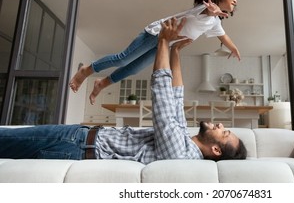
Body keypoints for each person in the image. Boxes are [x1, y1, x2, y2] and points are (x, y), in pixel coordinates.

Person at [0, 18, 247, 163]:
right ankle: (99, 79)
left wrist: (162, 40)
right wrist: (175, 51)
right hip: (80, 135)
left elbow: (162, 100)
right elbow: (175, 95)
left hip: (74, 148)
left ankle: (92, 72)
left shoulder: (181, 155)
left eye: (223, 133)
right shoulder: (187, 141)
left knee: (5, 141)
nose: (218, 125)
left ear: (215, 150)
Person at [69, 0, 241, 105]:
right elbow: (206, 10)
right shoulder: (201, 9)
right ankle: (87, 70)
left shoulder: (215, 22)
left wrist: (233, 48)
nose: (235, 0)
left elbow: (223, 36)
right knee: (123, 59)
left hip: (163, 44)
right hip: (155, 34)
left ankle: (102, 83)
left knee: (134, 69)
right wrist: (212, 10)